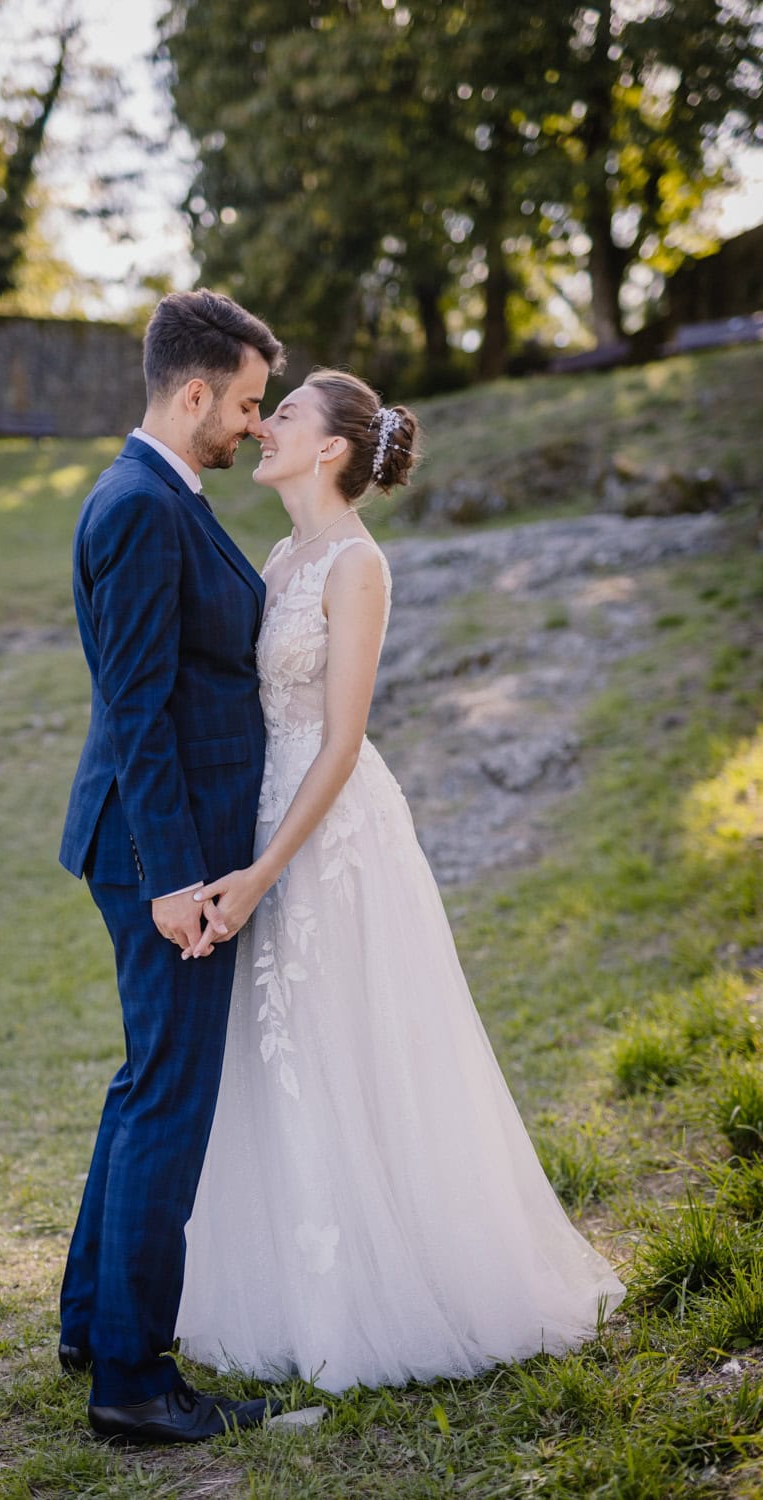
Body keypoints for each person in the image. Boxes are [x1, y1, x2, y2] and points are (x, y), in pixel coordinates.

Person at [176, 369, 626, 1394]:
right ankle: (296, 1282)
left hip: (327, 829)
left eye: (280, 414)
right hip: (261, 810)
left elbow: (339, 745)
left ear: (330, 447)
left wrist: (260, 873)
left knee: (348, 1036)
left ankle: (397, 1287)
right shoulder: (282, 553)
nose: (262, 425)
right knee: (280, 1041)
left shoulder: (353, 563)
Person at [57, 290, 286, 1443]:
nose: (254, 423)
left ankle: (86, 1323)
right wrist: (174, 880)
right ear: (192, 390)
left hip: (166, 841)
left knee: (145, 1080)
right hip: (168, 853)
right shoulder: (143, 506)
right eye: (245, 403)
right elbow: (137, 711)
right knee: (169, 1097)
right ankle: (133, 1382)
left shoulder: (163, 493)